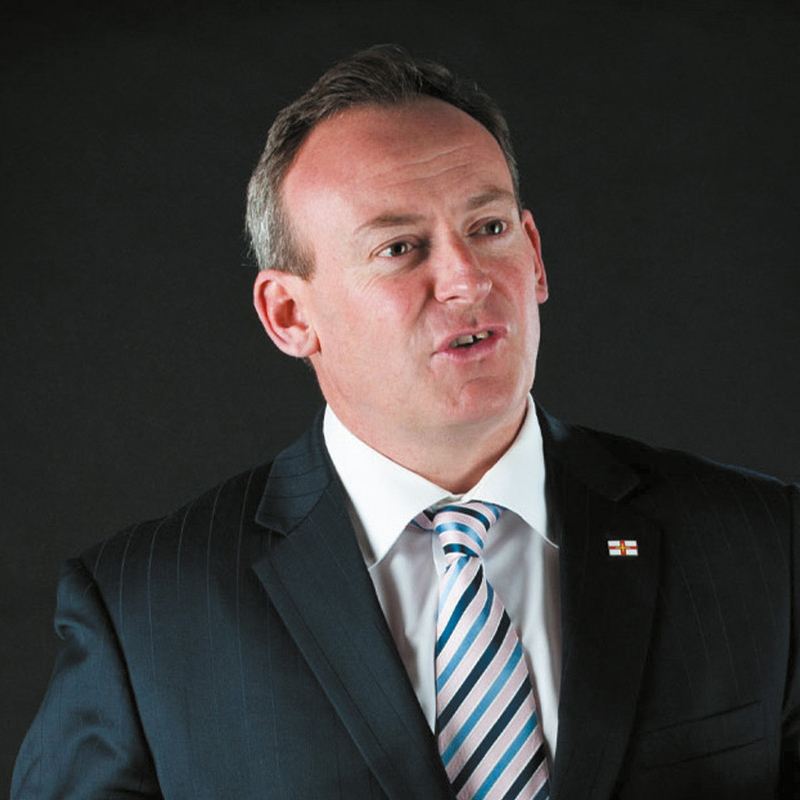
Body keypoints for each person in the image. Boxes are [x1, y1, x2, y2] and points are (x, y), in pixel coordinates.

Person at [11, 44, 799, 800]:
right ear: (289, 315)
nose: (466, 280)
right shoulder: (145, 612)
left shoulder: (764, 546)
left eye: (489, 229)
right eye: (399, 247)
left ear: (534, 255)